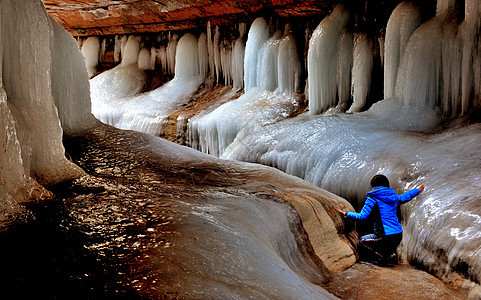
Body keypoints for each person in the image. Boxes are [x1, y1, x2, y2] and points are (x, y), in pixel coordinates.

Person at [338, 174, 425, 265]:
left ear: (373, 186)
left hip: (385, 236)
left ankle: (384, 257)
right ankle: (390, 254)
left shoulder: (372, 197)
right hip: (398, 235)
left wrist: (347, 214)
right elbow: (406, 196)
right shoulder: (393, 196)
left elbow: (362, 216)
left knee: (362, 241)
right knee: (381, 240)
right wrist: (417, 190)